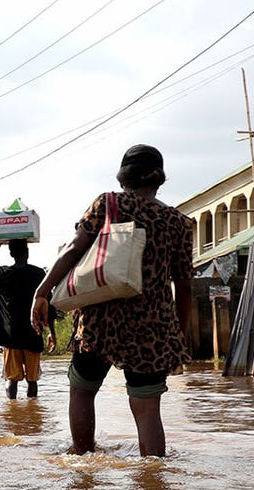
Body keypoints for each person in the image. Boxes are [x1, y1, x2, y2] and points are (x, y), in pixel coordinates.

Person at [31, 145, 193, 456]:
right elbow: (184, 285)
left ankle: (82, 463)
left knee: (82, 391)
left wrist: (42, 292)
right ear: (159, 179)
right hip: (153, 328)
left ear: (123, 177)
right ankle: (153, 482)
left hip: (99, 322)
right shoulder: (179, 223)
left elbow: (73, 250)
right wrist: (179, 336)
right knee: (147, 411)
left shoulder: (108, 204)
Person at [0, 239, 56, 399]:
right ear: (27, 252)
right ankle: (32, 411)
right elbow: (48, 305)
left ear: (11, 253)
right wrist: (52, 333)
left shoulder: (2, 275)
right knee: (32, 381)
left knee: (11, 379)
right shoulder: (38, 274)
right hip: (33, 333)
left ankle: (12, 410)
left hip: (10, 335)